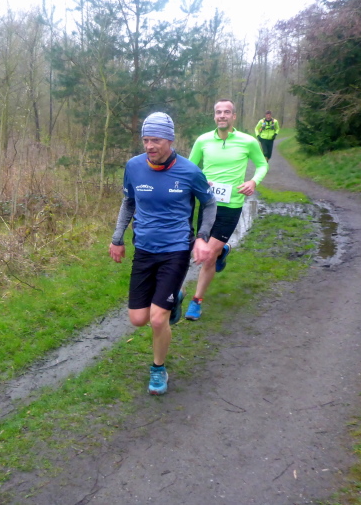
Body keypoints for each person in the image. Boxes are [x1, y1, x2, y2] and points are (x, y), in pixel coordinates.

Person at [109, 112, 217, 395]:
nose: (149, 146)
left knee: (158, 319)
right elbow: (129, 202)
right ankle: (175, 297)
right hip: (144, 249)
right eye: (146, 140)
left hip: (176, 249)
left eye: (156, 140)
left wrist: (202, 237)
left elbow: (209, 203)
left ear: (170, 140)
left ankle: (158, 369)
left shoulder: (189, 171)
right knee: (138, 319)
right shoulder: (134, 166)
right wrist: (117, 238)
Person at [184, 99, 269, 321]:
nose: (222, 115)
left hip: (232, 205)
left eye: (227, 112)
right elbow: (190, 169)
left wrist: (253, 182)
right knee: (208, 250)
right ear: (214, 116)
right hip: (208, 204)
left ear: (234, 116)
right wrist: (199, 182)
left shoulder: (248, 141)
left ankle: (196, 301)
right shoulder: (203, 140)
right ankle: (222, 251)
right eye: (218, 112)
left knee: (208, 254)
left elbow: (262, 164)